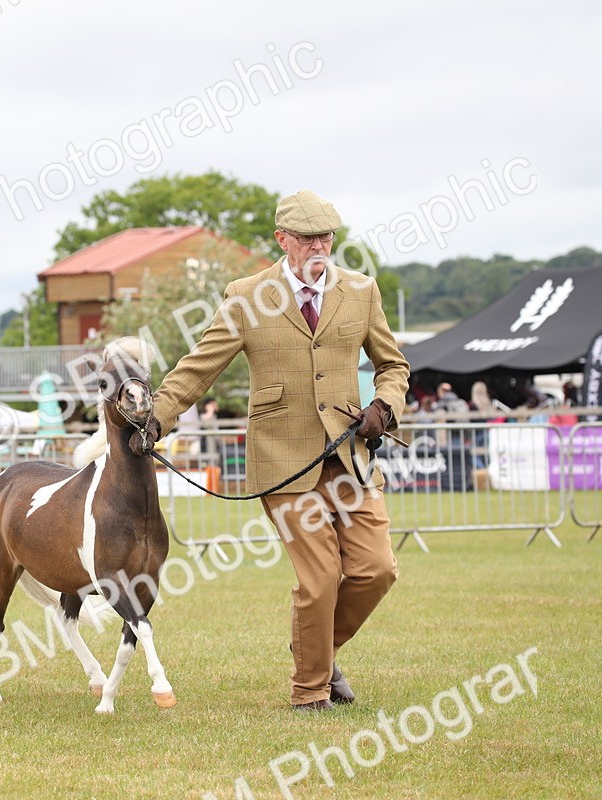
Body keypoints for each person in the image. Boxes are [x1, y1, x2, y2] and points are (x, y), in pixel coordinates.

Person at [141, 189, 410, 712]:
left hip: (350, 455)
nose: (319, 247)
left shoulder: (361, 290)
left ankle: (315, 648)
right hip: (283, 460)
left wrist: (385, 404)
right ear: (281, 240)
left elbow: (393, 365)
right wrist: (156, 417)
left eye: (326, 238)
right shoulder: (246, 296)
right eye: (308, 238)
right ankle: (309, 693)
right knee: (321, 578)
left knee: (377, 570)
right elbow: (201, 366)